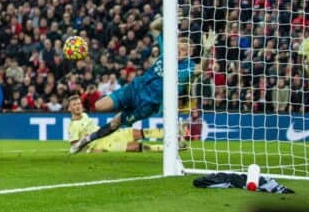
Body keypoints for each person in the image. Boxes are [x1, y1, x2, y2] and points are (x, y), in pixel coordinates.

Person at [71, 16, 215, 153]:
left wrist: (207, 51)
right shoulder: (167, 52)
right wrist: (166, 19)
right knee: (99, 106)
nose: (180, 51)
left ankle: (85, 141)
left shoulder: (188, 67)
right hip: (134, 89)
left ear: (190, 53)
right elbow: (154, 26)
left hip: (147, 105)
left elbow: (201, 68)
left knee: (115, 123)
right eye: (179, 47)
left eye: (184, 50)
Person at [67, 95, 163, 153]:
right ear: (69, 108)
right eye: (74, 105)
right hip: (104, 144)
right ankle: (163, 148)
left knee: (139, 133)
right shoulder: (73, 126)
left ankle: (171, 134)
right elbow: (74, 146)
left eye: (79, 103)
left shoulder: (84, 115)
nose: (78, 106)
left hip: (110, 133)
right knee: (135, 147)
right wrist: (90, 151)